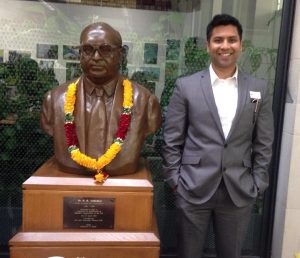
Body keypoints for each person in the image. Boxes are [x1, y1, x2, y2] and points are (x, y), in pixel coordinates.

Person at [162, 14, 274, 258]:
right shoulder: (186, 86)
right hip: (192, 187)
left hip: (239, 189)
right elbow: (172, 139)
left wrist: (257, 183)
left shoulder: (257, 90)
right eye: (218, 40)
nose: (225, 46)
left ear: (241, 45)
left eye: (232, 40)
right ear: (208, 45)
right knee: (188, 253)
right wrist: (175, 181)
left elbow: (263, 141)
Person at [41, 22, 161, 178]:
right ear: (80, 54)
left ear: (121, 54)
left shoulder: (145, 102)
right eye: (88, 50)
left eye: (105, 50)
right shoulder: (54, 100)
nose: (96, 57)